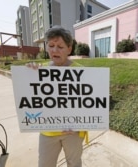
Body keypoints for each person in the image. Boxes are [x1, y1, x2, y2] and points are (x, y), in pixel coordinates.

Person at [27, 25, 88, 167]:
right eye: (51, 45)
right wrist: (29, 75)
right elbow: (32, 99)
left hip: (73, 132)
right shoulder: (39, 71)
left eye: (60, 46)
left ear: (69, 49)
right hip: (48, 132)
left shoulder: (82, 72)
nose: (55, 50)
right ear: (47, 48)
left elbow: (88, 103)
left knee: (74, 164)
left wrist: (78, 123)